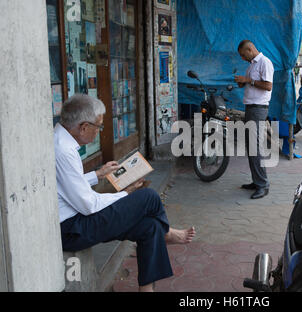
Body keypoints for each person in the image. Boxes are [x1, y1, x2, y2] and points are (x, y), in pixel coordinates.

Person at [55, 94, 196, 292]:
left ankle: (146, 289)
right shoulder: (64, 150)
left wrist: (97, 174)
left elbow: (67, 185)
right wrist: (125, 195)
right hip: (73, 228)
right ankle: (168, 232)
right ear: (84, 127)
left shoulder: (60, 140)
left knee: (149, 226)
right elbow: (88, 205)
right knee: (149, 197)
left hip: (74, 220)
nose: (99, 132)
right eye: (98, 126)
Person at [234, 40, 274, 199]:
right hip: (251, 108)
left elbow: (268, 86)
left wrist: (248, 80)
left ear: (250, 49)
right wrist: (242, 83)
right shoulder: (252, 65)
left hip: (258, 109)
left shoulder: (265, 62)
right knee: (251, 147)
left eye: (244, 55)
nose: (243, 58)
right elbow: (252, 84)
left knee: (255, 147)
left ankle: (263, 185)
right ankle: (257, 181)